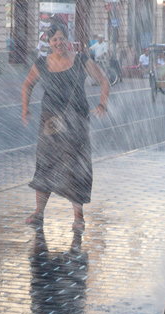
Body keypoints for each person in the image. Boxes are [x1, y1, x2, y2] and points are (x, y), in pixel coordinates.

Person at [21, 21, 110, 233]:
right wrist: (25, 109)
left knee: (76, 165)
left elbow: (104, 81)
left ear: (67, 40)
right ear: (49, 42)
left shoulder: (81, 60)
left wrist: (102, 103)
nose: (58, 42)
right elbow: (27, 85)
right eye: (54, 40)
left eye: (62, 38)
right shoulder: (42, 63)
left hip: (76, 120)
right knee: (46, 163)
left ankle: (78, 217)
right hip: (50, 121)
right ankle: (39, 213)